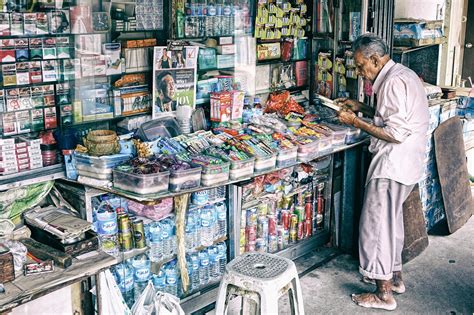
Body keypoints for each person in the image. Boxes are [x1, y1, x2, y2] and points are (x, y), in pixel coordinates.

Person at [336, 33, 429, 311]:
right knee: (391, 224)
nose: (360, 72)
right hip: (407, 164)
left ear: (375, 59)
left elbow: (394, 132)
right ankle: (395, 279)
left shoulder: (390, 82)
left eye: (361, 65)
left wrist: (355, 121)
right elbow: (393, 115)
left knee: (376, 226)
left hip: (392, 165)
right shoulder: (402, 74)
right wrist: (363, 108)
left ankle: (383, 294)